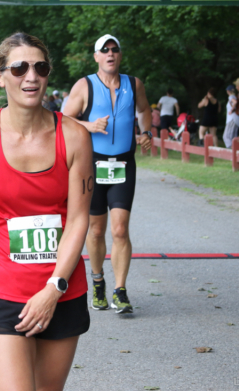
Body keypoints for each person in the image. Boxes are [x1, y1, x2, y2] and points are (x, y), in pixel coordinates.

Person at [0, 32, 93, 391]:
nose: (31, 76)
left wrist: (53, 289)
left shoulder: (74, 137)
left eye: (40, 67)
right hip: (2, 290)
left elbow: (78, 220)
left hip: (61, 289)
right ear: (0, 75)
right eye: (19, 67)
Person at [64, 34, 152, 314]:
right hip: (92, 165)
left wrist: (146, 131)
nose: (111, 53)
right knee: (97, 229)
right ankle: (99, 280)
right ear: (96, 57)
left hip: (124, 164)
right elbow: (65, 120)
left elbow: (145, 109)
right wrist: (89, 126)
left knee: (120, 229)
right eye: (105, 50)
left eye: (115, 49)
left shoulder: (133, 84)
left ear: (120, 55)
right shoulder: (85, 85)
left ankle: (121, 290)